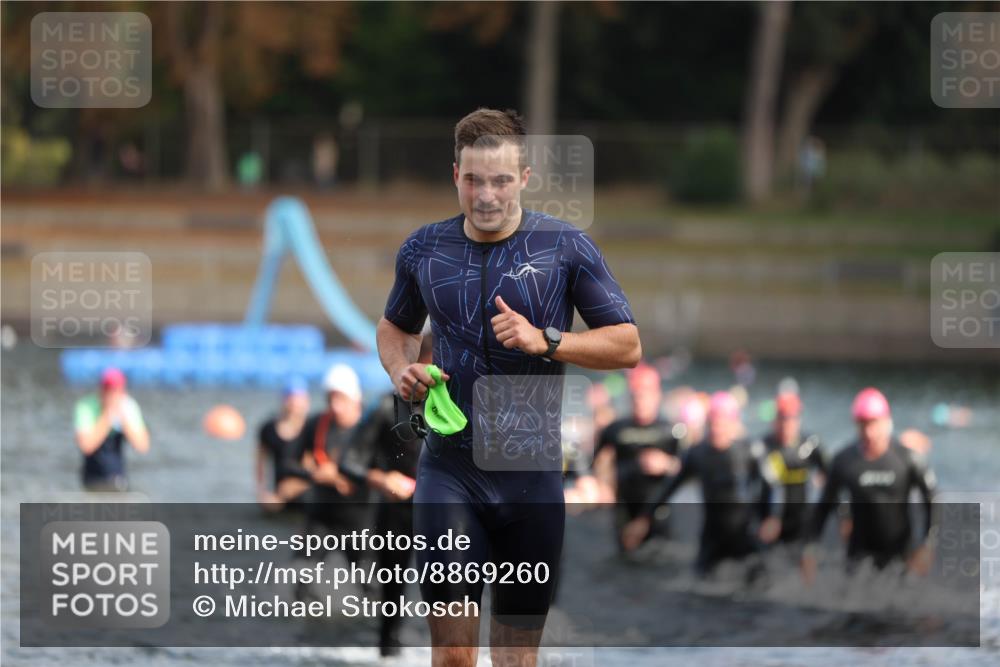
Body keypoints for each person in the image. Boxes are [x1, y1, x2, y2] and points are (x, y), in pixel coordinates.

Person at [376, 108, 641, 667]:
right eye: (473, 179)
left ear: (523, 178)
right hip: (450, 471)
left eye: (500, 180)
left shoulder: (565, 247)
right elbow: (395, 327)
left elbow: (627, 345)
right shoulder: (424, 249)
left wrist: (546, 340)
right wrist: (402, 370)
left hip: (531, 479)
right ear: (456, 176)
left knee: (515, 658)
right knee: (452, 655)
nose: (486, 195)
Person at [622, 391, 780, 575]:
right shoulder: (698, 454)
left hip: (746, 531)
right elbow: (670, 487)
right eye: (712, 423)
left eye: (721, 423)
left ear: (733, 423)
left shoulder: (751, 450)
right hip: (712, 533)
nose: (716, 429)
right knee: (699, 585)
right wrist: (644, 518)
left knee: (760, 584)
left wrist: (771, 517)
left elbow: (772, 485)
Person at [800, 388, 938, 582]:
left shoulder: (908, 459)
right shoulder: (843, 461)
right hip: (858, 559)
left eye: (874, 424)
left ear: (887, 422)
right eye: (862, 425)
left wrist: (927, 545)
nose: (869, 432)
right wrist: (810, 550)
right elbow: (823, 507)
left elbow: (933, 500)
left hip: (900, 557)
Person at [294, 363, 370, 601]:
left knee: (372, 589)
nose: (335, 407)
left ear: (355, 399)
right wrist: (315, 474)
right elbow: (290, 462)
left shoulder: (370, 426)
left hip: (359, 518)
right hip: (321, 515)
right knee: (300, 582)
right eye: (330, 400)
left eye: (341, 400)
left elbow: (382, 469)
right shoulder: (317, 424)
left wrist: (338, 475)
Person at [592, 364, 681, 550]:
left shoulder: (672, 431)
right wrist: (602, 484)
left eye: (646, 393)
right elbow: (594, 463)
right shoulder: (615, 429)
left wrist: (667, 464)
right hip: (624, 510)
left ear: (657, 395)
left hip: (658, 514)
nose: (640, 399)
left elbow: (687, 470)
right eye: (636, 394)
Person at [756, 392, 827, 543]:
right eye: (782, 418)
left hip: (803, 518)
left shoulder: (810, 445)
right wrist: (770, 517)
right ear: (775, 420)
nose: (786, 424)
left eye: (791, 418)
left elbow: (832, 476)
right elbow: (757, 485)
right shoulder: (763, 447)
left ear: (799, 419)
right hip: (770, 520)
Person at [74, 367, 149, 491]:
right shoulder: (86, 406)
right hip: (92, 479)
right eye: (108, 389)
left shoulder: (128, 406)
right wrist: (108, 415)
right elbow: (86, 446)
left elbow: (142, 446)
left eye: (115, 390)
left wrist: (123, 419)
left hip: (118, 479)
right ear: (101, 389)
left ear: (123, 391)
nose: (111, 394)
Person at [256, 376, 312, 511]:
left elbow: (315, 472)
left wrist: (292, 489)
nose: (294, 404)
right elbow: (260, 464)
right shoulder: (268, 429)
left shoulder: (312, 429)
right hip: (277, 499)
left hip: (305, 497)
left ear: (306, 402)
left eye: (298, 399)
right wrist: (262, 494)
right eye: (291, 398)